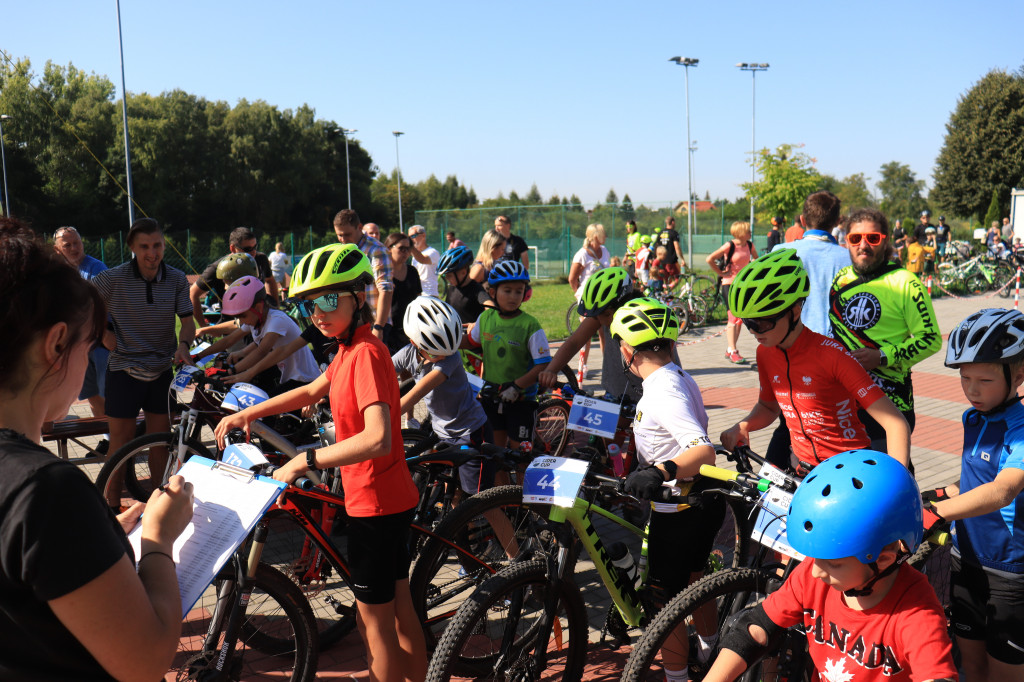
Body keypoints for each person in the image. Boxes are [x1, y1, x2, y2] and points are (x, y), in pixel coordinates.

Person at [214, 243, 427, 682]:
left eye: (329, 300)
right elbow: (313, 391)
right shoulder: (350, 349)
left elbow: (378, 438)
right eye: (310, 305)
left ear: (358, 295)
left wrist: (302, 460)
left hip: (375, 503)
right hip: (388, 497)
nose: (317, 313)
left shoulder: (365, 355)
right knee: (401, 609)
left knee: (375, 623)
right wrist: (251, 411)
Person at [0, 217, 196, 681]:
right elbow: (146, 660)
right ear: (57, 344)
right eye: (89, 346)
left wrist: (97, 534)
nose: (91, 360)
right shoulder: (46, 492)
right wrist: (157, 538)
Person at [701, 451, 957, 682]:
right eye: (816, 558)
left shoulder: (915, 611)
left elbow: (936, 674)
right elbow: (756, 628)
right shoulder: (814, 575)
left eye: (833, 563)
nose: (815, 571)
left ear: (882, 559)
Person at [612, 297, 725, 682]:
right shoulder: (676, 377)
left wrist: (660, 471)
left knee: (666, 605)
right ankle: (710, 652)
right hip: (702, 502)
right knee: (696, 581)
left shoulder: (662, 391)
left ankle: (677, 677)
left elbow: (702, 449)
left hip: (679, 508)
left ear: (627, 350)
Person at [721, 249, 911, 473]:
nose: (753, 331)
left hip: (850, 470)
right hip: (802, 469)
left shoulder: (833, 356)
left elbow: (896, 423)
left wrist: (896, 483)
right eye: (748, 322)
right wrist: (744, 425)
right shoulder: (765, 353)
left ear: (794, 311)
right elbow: (768, 407)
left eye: (762, 323)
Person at [928, 309, 1024, 680]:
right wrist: (935, 494)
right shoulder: (973, 419)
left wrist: (940, 511)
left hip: (1008, 571)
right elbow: (974, 480)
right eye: (965, 378)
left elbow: (1002, 490)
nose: (972, 390)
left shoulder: (1020, 429)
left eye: (984, 379)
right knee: (970, 665)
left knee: (1004, 675)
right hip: (963, 557)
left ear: (1017, 376)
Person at [92, 218, 196, 508]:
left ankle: (158, 504)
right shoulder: (113, 278)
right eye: (144, 247)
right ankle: (111, 507)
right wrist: (103, 334)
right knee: (120, 445)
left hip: (162, 371)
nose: (152, 253)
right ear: (132, 248)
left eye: (157, 245)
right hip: (123, 370)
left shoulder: (176, 278)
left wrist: (184, 345)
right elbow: (83, 303)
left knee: (161, 442)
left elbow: (188, 322)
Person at [829, 207, 942, 453]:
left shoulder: (906, 282)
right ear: (846, 241)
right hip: (843, 402)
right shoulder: (841, 280)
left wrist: (881, 356)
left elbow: (931, 339)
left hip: (889, 402)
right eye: (855, 238)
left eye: (873, 238)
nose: (863, 245)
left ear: (885, 241)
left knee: (891, 481)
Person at [764, 192, 853, 469]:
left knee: (790, 422)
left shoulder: (781, 252)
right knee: (828, 428)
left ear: (802, 220)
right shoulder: (847, 257)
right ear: (837, 221)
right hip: (834, 356)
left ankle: (769, 492)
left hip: (787, 351)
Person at [466, 261, 551, 448]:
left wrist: (516, 386)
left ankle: (522, 478)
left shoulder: (530, 325)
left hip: (521, 401)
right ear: (493, 292)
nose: (513, 296)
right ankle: (499, 480)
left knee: (520, 455)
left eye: (519, 291)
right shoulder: (486, 318)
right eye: (507, 290)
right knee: (494, 453)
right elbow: (471, 341)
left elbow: (543, 365)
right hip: (491, 397)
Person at [192, 275, 319, 394]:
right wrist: (197, 356)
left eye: (242, 316)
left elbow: (262, 351)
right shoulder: (255, 319)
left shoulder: (276, 320)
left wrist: (233, 371)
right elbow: (229, 340)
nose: (240, 321)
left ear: (258, 308)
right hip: (290, 378)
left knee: (265, 410)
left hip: (304, 379)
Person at [539, 267, 646, 404]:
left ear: (625, 303)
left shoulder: (645, 318)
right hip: (614, 395)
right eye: (597, 316)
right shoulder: (606, 313)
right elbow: (575, 342)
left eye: (606, 314)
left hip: (650, 398)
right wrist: (551, 370)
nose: (601, 321)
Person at [53, 225, 109, 421]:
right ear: (57, 249)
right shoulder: (57, 274)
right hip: (76, 347)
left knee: (108, 396)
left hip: (101, 344)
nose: (74, 248)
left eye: (77, 243)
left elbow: (103, 305)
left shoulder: (96, 268)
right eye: (67, 245)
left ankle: (122, 443)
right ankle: (109, 438)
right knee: (92, 396)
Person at [189, 226, 278, 330]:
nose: (253, 252)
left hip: (261, 322)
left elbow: (270, 280)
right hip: (233, 328)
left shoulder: (260, 258)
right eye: (247, 249)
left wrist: (275, 307)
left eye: (255, 247)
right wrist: (203, 326)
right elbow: (193, 293)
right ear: (233, 248)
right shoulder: (219, 267)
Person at [333, 209, 394, 343]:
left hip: (374, 323)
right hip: (352, 322)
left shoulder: (376, 250)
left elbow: (386, 290)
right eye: (339, 235)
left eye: (347, 234)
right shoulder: (342, 251)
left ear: (359, 228)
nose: (343, 239)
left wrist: (378, 327)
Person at [706, 221, 757, 365]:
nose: (750, 233)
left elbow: (757, 261)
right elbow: (710, 259)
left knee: (740, 319)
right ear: (741, 232)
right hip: (729, 284)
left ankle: (730, 348)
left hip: (743, 285)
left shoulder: (750, 245)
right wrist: (721, 273)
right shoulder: (730, 246)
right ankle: (733, 351)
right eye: (748, 231)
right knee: (733, 317)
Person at [384, 231, 423, 354]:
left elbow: (418, 299)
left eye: (408, 248)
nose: (406, 252)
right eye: (401, 248)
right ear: (389, 249)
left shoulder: (412, 271)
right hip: (389, 331)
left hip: (411, 329)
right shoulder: (383, 274)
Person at [437, 245, 493, 326]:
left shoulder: (476, 289)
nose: (447, 279)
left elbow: (491, 309)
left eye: (449, 275)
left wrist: (477, 325)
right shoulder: (452, 288)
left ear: (463, 272)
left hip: (470, 336)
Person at [407, 225, 441, 297]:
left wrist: (410, 245)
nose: (411, 240)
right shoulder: (414, 256)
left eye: (413, 236)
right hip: (418, 295)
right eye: (409, 237)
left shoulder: (433, 252)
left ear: (423, 235)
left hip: (430, 295)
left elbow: (423, 259)